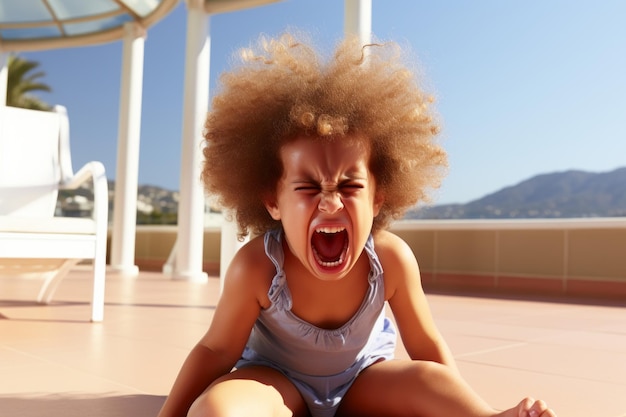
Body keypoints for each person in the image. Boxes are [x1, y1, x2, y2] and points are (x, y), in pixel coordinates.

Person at [158, 33, 557, 417]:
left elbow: (425, 346)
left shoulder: (391, 260)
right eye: (308, 187)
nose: (330, 202)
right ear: (271, 201)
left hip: (364, 381)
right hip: (276, 382)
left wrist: (459, 407)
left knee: (425, 380)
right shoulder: (257, 268)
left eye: (349, 186)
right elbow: (216, 352)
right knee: (215, 408)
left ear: (378, 197)